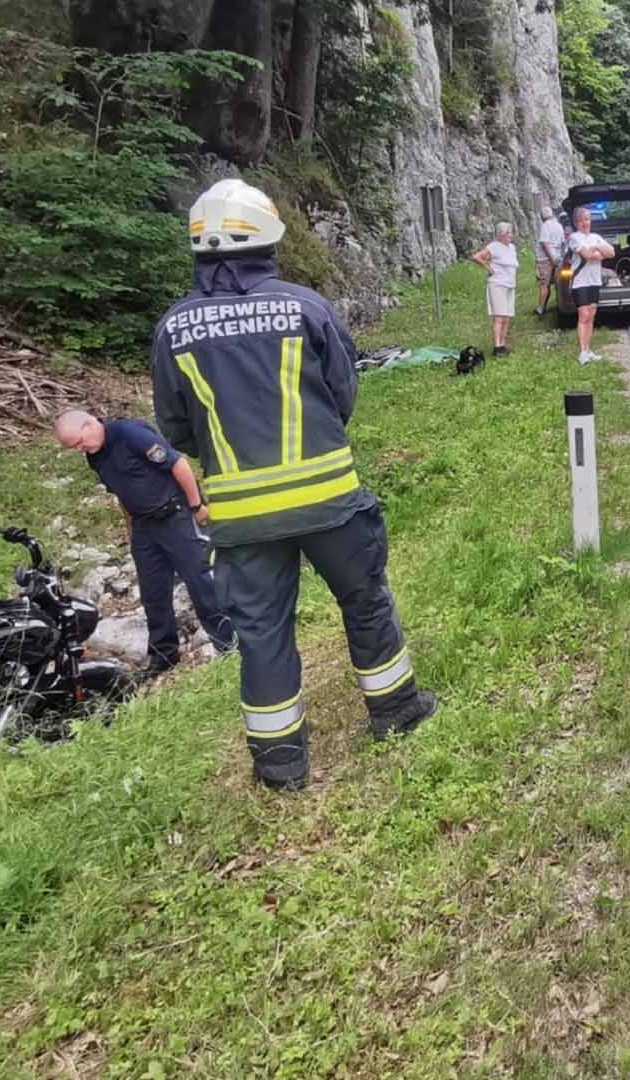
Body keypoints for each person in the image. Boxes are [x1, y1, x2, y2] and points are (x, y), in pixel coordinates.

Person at [150, 179, 438, 791]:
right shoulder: (304, 307)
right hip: (329, 499)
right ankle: (397, 711)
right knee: (365, 603)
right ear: (267, 240)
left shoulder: (174, 329)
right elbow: (343, 393)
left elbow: (176, 426)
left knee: (260, 635)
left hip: (243, 519)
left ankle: (281, 764)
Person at [53, 410, 235, 673]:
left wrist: (197, 506)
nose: (81, 450)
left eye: (80, 442)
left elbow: (178, 465)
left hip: (175, 515)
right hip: (144, 527)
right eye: (75, 448)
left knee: (201, 583)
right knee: (153, 593)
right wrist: (132, 532)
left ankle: (228, 643)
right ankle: (164, 655)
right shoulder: (95, 456)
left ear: (90, 424)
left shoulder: (129, 433)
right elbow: (122, 492)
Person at [565, 206, 615, 365]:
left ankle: (588, 349)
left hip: (594, 281)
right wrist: (597, 252)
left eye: (587, 219)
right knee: (584, 315)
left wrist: (595, 248)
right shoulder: (574, 237)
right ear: (577, 222)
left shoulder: (596, 236)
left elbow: (611, 253)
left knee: (592, 314)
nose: (586, 223)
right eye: (582, 220)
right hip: (580, 281)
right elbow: (586, 255)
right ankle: (582, 352)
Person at [470, 221, 518, 356]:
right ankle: (497, 347)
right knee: (499, 316)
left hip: (510, 284)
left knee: (507, 316)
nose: (510, 235)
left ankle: (503, 344)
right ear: (501, 235)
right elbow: (477, 257)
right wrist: (489, 269)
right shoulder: (494, 246)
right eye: (508, 233)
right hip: (497, 284)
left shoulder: (512, 248)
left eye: (510, 232)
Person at [535, 206, 565, 316]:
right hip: (557, 258)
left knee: (544, 285)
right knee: (556, 283)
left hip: (545, 260)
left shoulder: (545, 226)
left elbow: (545, 243)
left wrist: (551, 258)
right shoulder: (558, 226)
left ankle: (541, 309)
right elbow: (562, 243)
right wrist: (559, 258)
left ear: (542, 217)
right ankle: (557, 304)